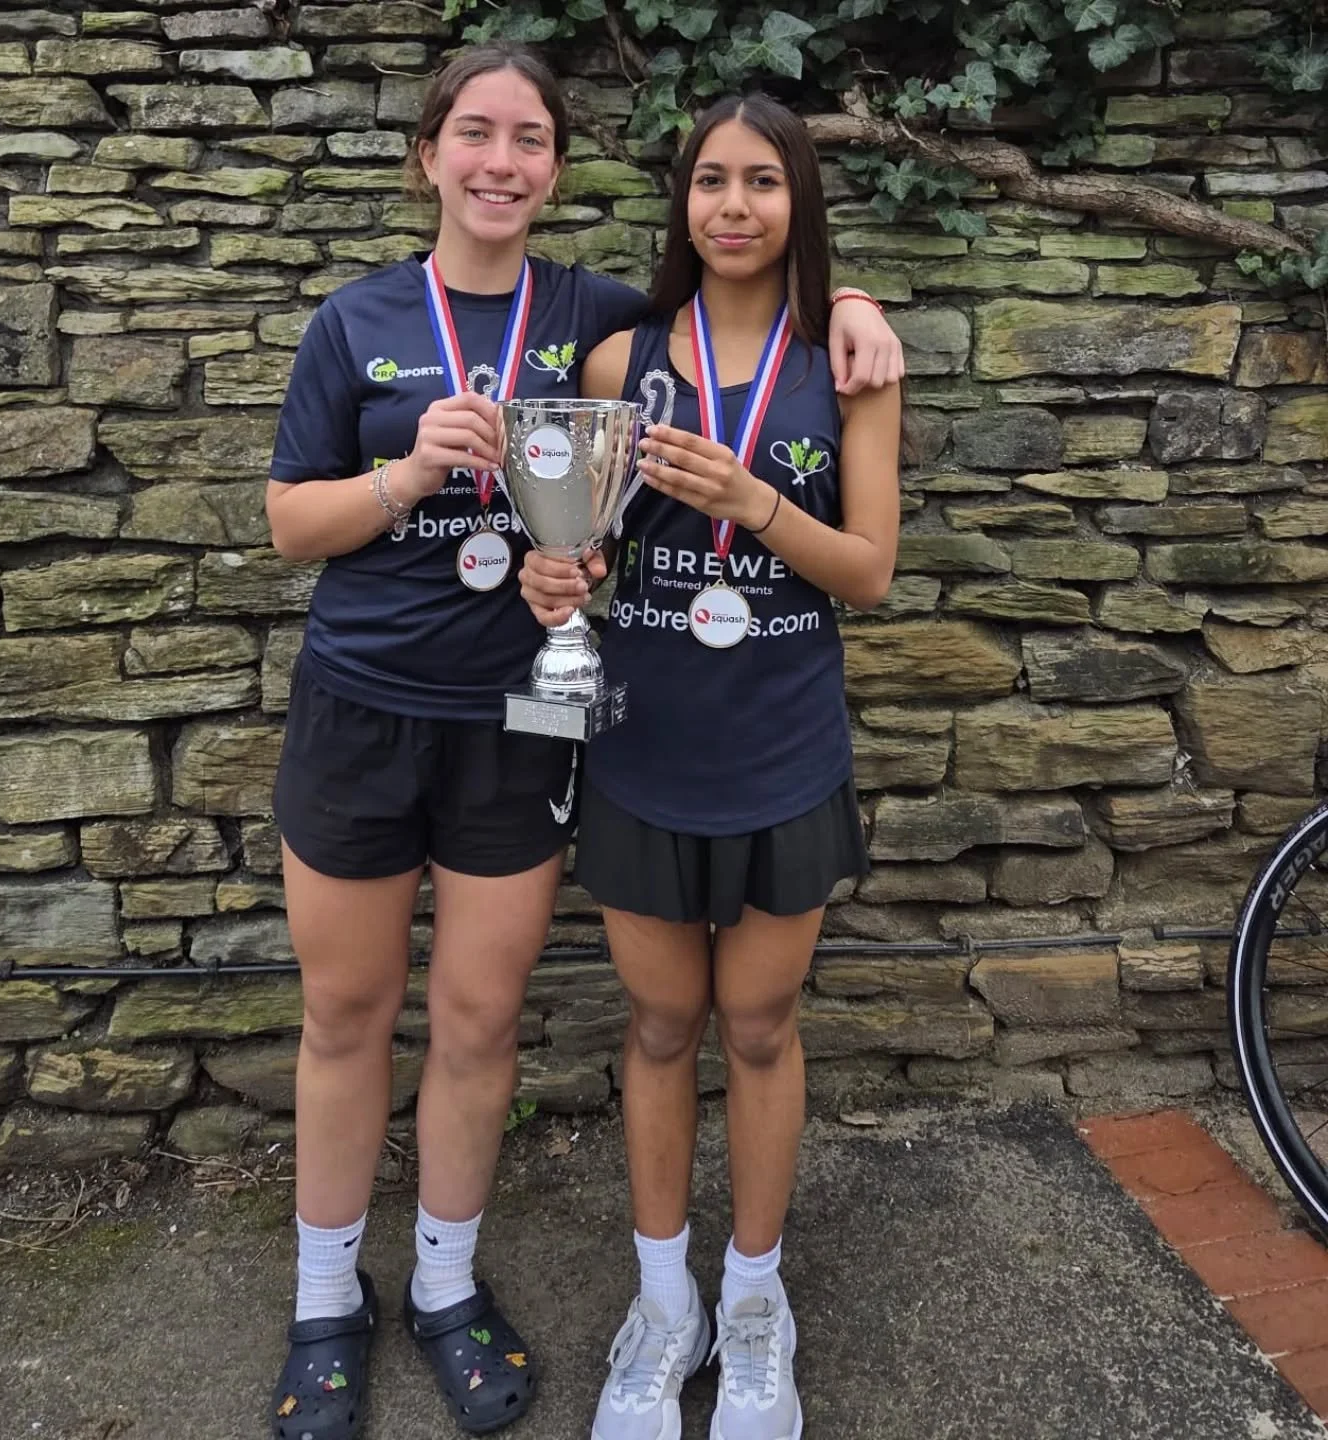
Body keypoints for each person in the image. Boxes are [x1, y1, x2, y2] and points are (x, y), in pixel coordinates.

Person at [263, 42, 904, 1440]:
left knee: (539, 1020)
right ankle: (346, 1300)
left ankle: (574, 1298)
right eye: (475, 134)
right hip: (414, 709)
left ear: (557, 167)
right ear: (430, 152)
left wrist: (851, 301)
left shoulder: (599, 320)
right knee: (369, 1016)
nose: (502, 162)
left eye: (530, 139)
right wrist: (444, 493)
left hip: (560, 721)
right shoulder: (407, 324)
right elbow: (297, 523)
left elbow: (763, 340)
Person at [519, 93, 902, 1440]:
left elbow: (868, 571)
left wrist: (756, 503)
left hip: (784, 752)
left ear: (799, 199)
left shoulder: (847, 362)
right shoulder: (626, 361)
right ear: (681, 202)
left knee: (758, 1028)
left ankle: (754, 1305)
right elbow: (590, 541)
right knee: (662, 1026)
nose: (733, 206)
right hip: (646, 747)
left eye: (762, 182)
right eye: (709, 182)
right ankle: (662, 1299)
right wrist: (562, 569)